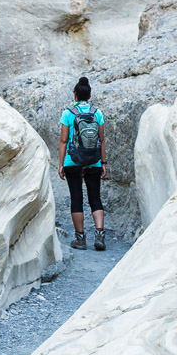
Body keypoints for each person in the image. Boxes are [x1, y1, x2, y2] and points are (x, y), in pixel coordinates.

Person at [57, 76, 106, 250]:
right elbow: (101, 139)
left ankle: (80, 238)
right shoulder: (97, 112)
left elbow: (63, 141)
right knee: (95, 198)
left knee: (76, 197)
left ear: (75, 95)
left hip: (73, 160)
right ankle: (100, 235)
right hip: (93, 160)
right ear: (89, 95)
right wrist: (103, 162)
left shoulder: (68, 113)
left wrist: (61, 163)